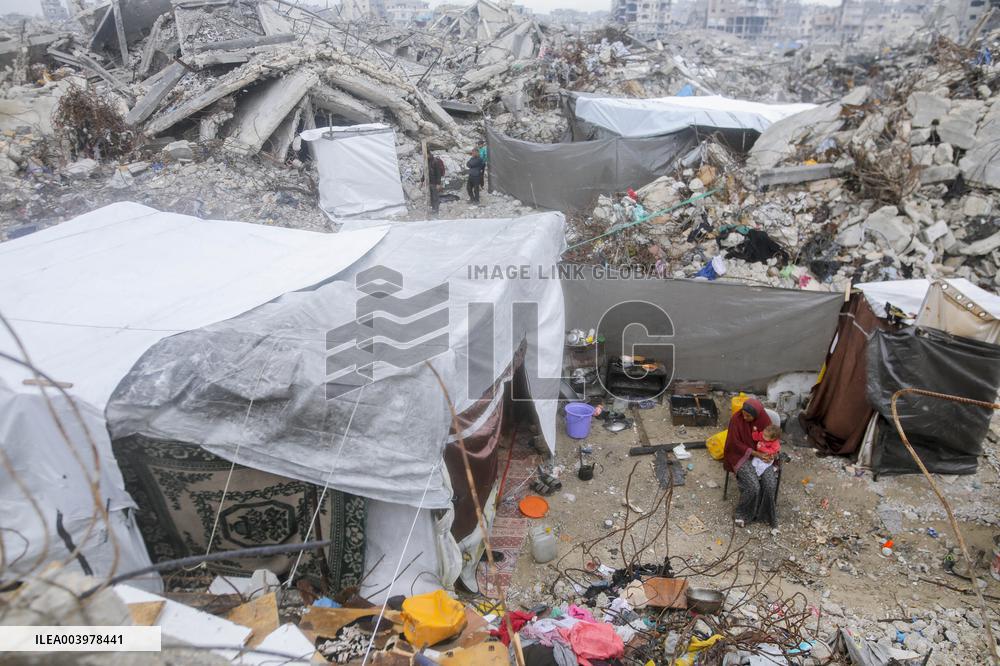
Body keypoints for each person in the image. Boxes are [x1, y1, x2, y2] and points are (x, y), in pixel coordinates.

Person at [722, 398, 778, 528]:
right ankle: (742, 514)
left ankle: (762, 514)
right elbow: (734, 443)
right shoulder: (736, 419)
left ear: (757, 415)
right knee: (753, 487)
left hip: (762, 453)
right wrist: (755, 453)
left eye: (748, 416)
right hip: (740, 454)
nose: (745, 417)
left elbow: (772, 439)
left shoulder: (764, 419)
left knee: (769, 484)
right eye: (744, 414)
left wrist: (771, 454)